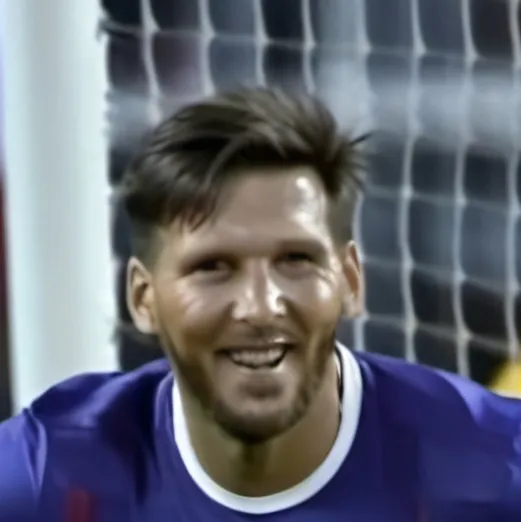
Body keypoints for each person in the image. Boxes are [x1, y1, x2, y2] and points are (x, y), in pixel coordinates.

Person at [0, 87, 520, 522]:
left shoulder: (492, 469)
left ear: (350, 281)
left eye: (295, 260)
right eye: (212, 267)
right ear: (143, 298)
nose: (260, 306)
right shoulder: (50, 471)